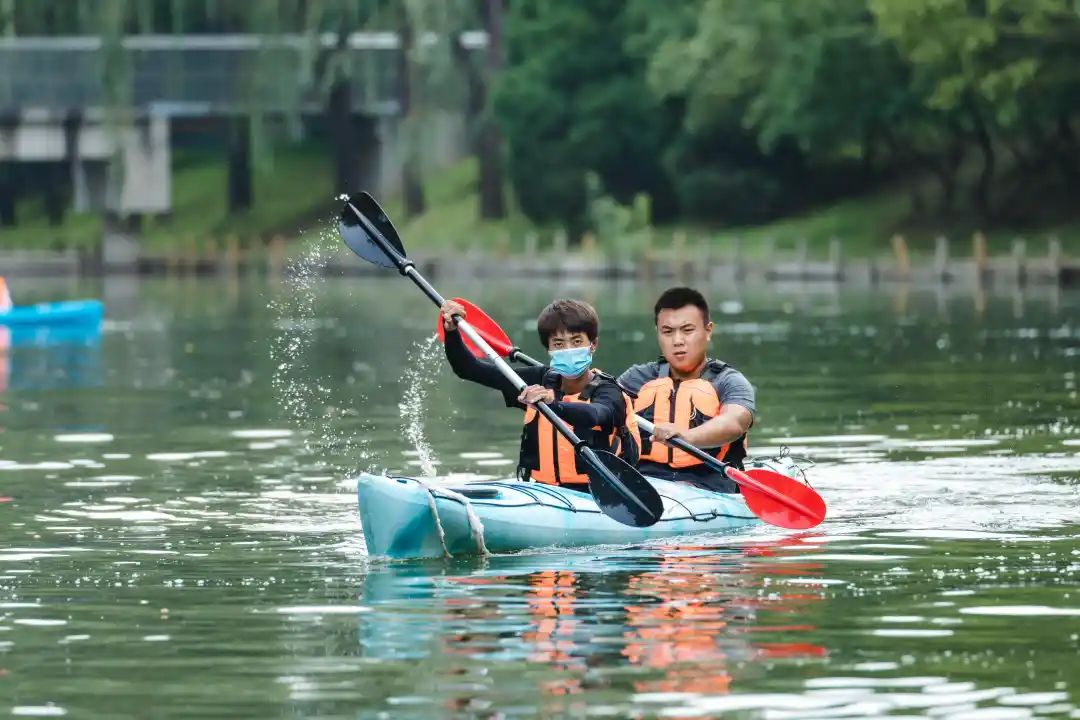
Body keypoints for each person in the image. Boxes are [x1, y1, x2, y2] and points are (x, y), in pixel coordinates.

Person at [440, 298, 639, 491]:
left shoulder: (608, 391)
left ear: (593, 344)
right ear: (549, 349)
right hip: (542, 490)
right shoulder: (540, 380)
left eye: (577, 341)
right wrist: (451, 332)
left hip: (599, 494)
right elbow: (469, 369)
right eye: (559, 344)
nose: (568, 350)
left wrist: (553, 405)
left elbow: (595, 414)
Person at [618, 287, 754, 493]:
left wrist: (686, 437)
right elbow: (603, 408)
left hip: (710, 484)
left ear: (708, 331)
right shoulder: (637, 378)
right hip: (644, 482)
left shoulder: (728, 381)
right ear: (658, 332)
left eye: (687, 330)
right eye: (667, 332)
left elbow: (734, 422)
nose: (677, 341)